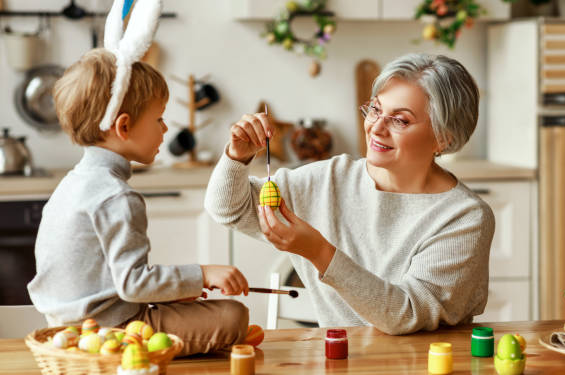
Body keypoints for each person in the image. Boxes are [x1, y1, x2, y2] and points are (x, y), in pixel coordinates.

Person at [205, 53, 495, 334]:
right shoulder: (326, 180)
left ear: (443, 137)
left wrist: (319, 252)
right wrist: (236, 157)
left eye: (400, 120)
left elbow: (407, 315)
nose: (376, 128)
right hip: (342, 361)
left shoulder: (464, 217)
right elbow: (229, 209)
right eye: (376, 109)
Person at [27, 48, 252, 355]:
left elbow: (112, 279)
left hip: (66, 326)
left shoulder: (71, 184)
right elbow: (133, 284)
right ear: (123, 127)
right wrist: (203, 273)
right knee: (233, 316)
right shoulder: (116, 195)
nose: (165, 128)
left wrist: (179, 290)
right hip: (111, 331)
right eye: (158, 118)